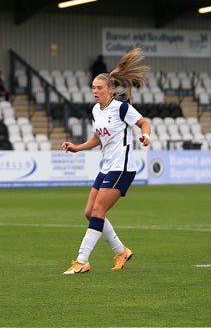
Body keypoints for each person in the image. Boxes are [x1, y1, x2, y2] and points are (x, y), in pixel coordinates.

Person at [61, 47, 151, 275]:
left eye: (99, 88)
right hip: (107, 167)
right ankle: (121, 251)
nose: (95, 91)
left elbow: (143, 123)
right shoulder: (95, 110)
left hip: (123, 168)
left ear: (110, 90)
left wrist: (146, 135)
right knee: (89, 212)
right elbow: (97, 138)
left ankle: (82, 260)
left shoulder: (121, 108)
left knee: (98, 211)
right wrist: (77, 148)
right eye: (93, 88)